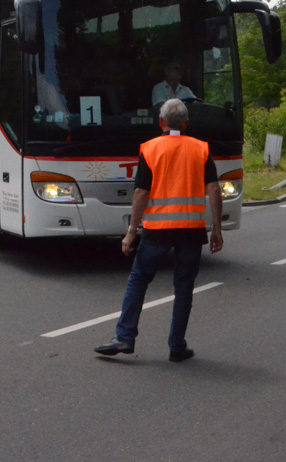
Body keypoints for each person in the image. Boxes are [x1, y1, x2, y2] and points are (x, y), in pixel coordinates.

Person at [95, 99, 223, 362]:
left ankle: (124, 337)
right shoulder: (201, 149)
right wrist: (217, 229)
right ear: (186, 124)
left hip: (158, 229)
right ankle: (177, 346)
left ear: (161, 122)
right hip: (191, 229)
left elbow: (142, 192)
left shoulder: (151, 149)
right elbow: (213, 189)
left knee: (139, 280)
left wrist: (132, 230)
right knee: (184, 287)